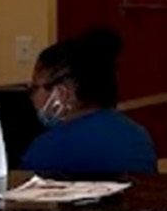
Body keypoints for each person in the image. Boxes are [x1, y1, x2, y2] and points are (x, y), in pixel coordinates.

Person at [20, 27, 157, 175]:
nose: (32, 97)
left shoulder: (46, 150)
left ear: (61, 94)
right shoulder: (138, 137)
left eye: (34, 88)